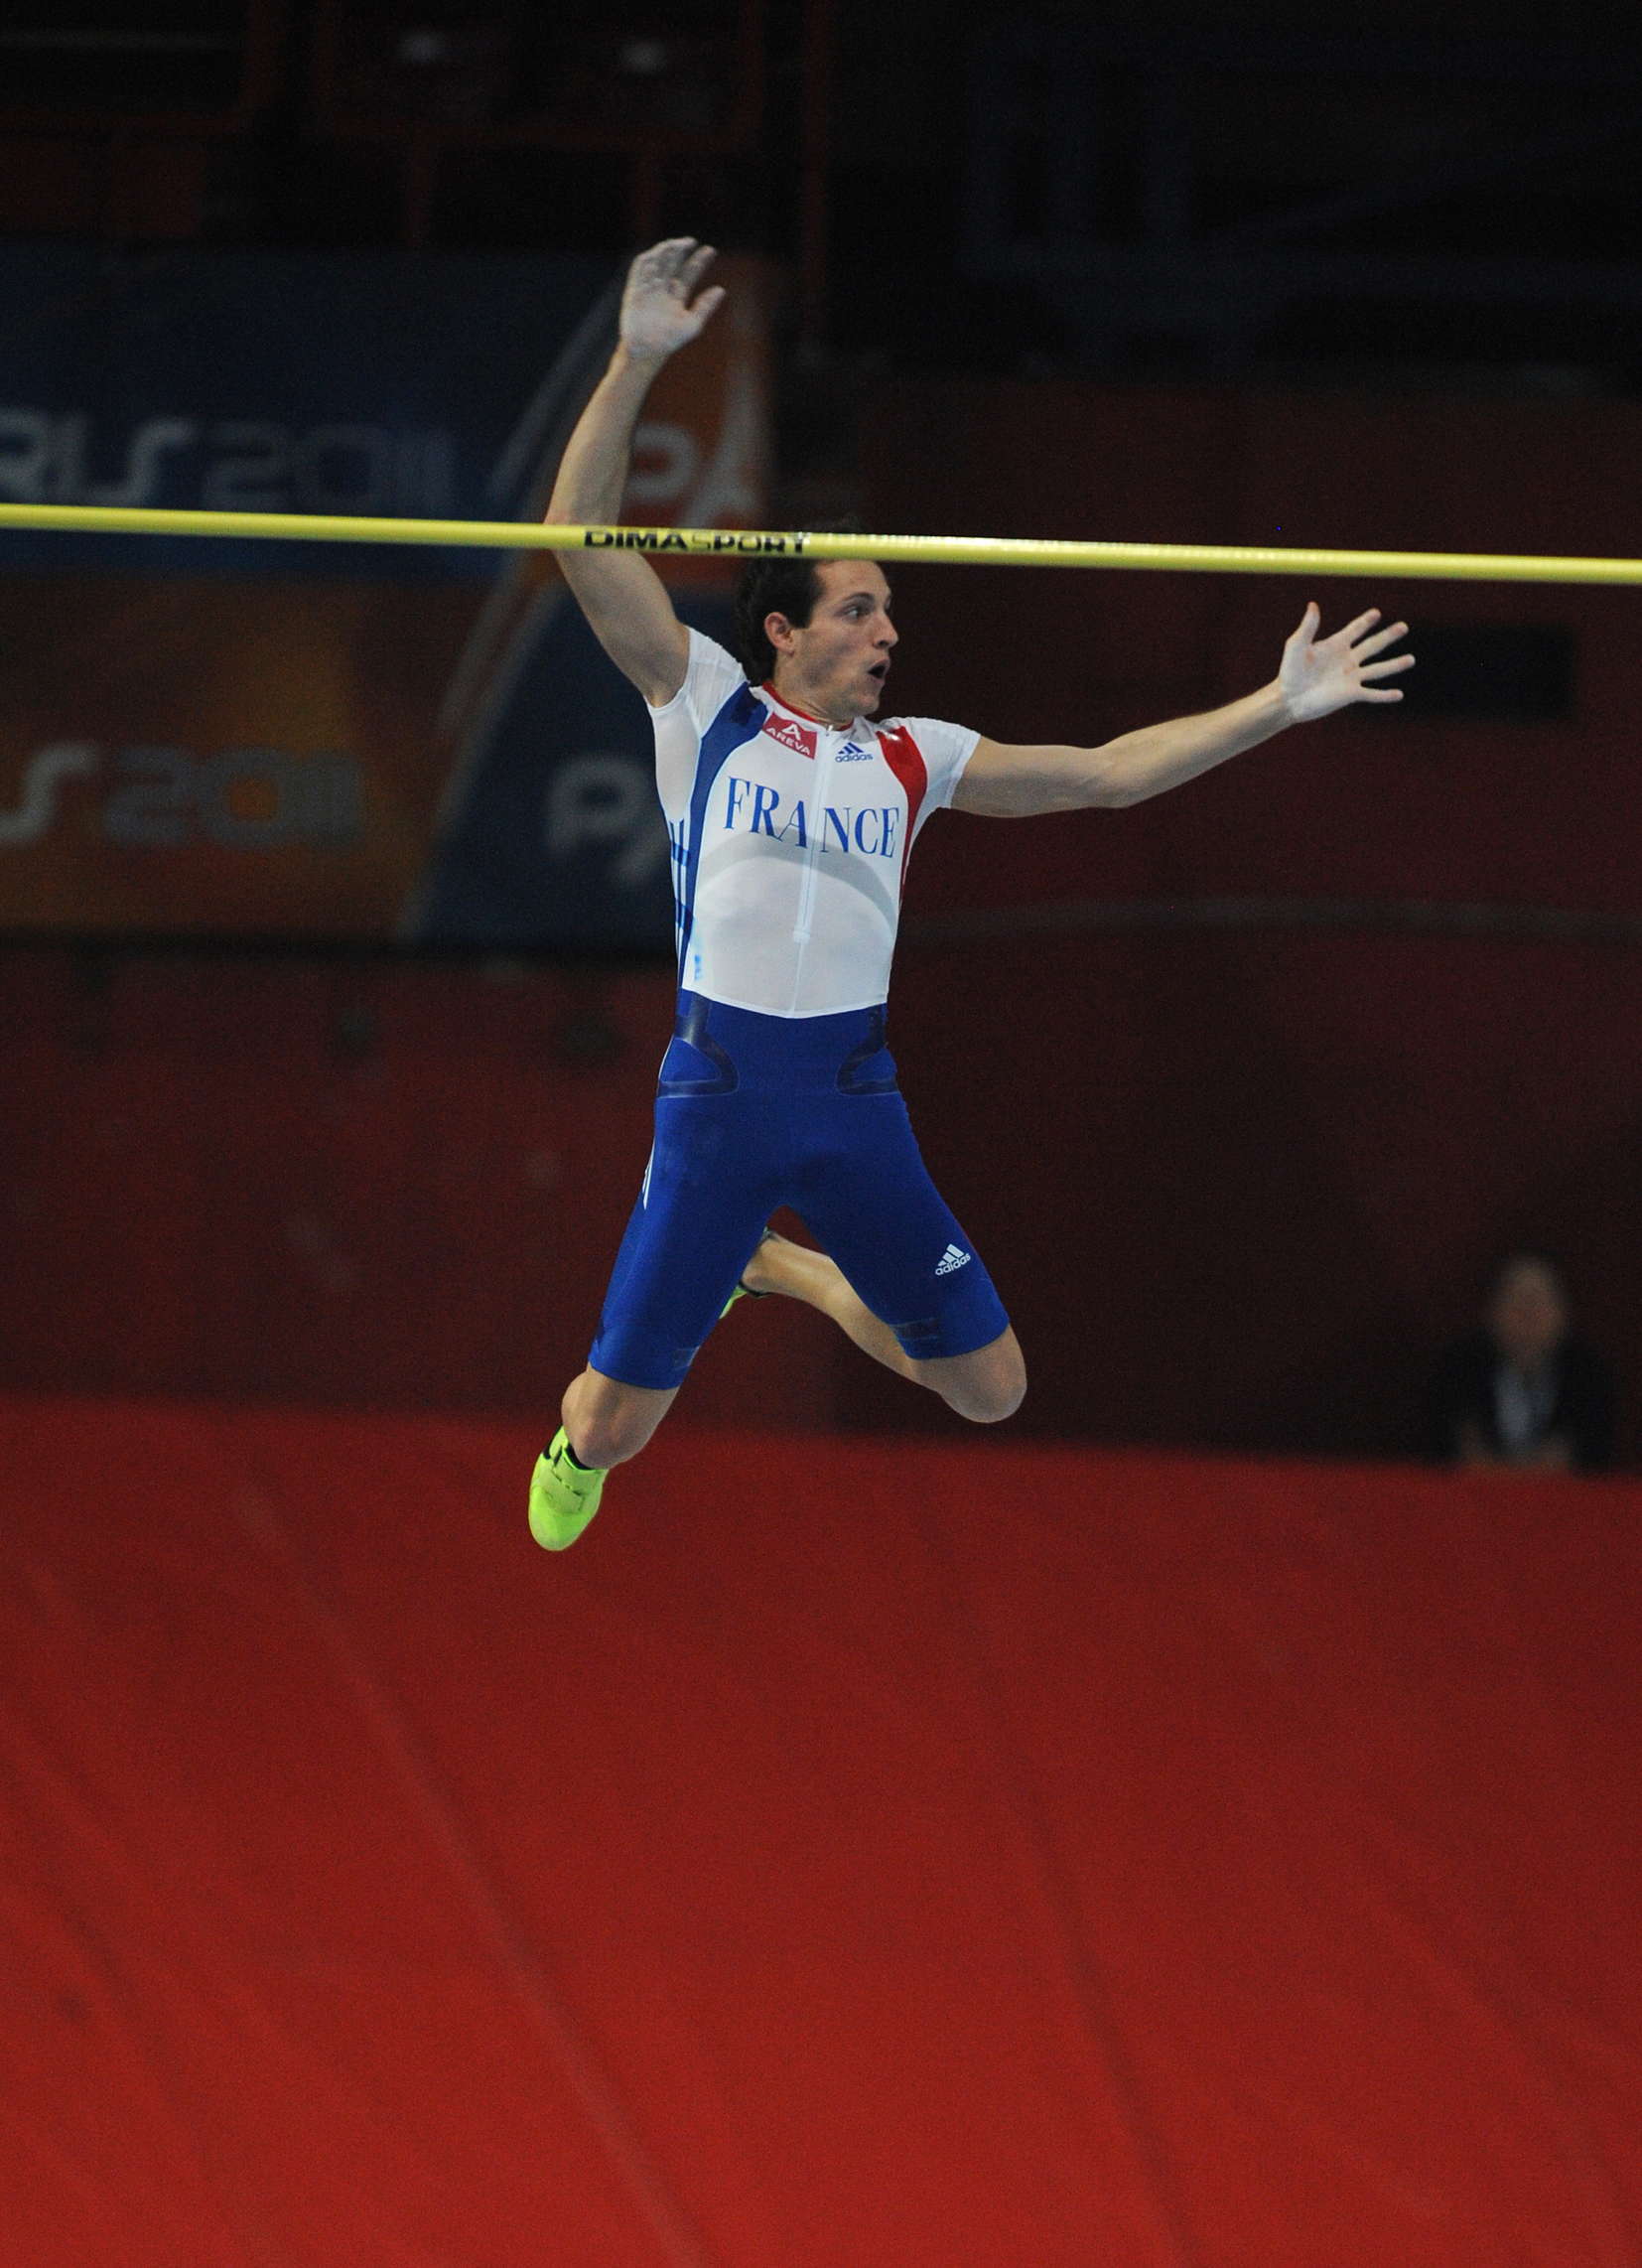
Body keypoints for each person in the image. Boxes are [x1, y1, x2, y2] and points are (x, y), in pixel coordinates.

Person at [528, 236, 1415, 1548]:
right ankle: (610, 1405)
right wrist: (636, 358)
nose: (887, 632)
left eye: (890, 613)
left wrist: (1275, 705)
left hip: (852, 1102)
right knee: (612, 1429)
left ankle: (779, 1270)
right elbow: (572, 538)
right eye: (859, 611)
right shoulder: (700, 701)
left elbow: (1106, 775)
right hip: (718, 1101)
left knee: (990, 1388)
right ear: (781, 629)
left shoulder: (916, 756)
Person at [1430, 1251, 1616, 1474]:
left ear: (1563, 1313)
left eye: (1539, 1303)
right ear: (1491, 1311)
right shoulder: (1458, 1370)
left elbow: (1591, 1454)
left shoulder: (1589, 1377)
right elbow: (1449, 1450)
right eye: (1516, 1302)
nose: (1529, 1316)